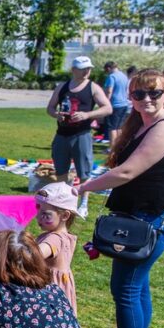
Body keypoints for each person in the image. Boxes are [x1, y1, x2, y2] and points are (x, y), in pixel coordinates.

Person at [78, 69, 164, 328]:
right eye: (139, 94)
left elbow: (127, 173)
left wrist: (85, 187)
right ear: (132, 97)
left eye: (155, 93)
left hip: (152, 219)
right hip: (140, 216)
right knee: (136, 288)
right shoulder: (142, 124)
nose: (147, 99)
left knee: (125, 288)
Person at [45, 56, 112, 218]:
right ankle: (63, 200)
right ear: (73, 70)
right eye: (83, 68)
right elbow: (50, 108)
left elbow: (107, 108)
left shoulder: (92, 87)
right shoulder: (62, 87)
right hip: (62, 134)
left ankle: (83, 204)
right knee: (61, 170)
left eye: (88, 68)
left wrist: (87, 115)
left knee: (84, 172)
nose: (87, 71)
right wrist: (57, 115)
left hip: (81, 134)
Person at [33, 182, 80, 314]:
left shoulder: (55, 238)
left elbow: (36, 254)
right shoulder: (64, 236)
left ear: (65, 215)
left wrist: (7, 244)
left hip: (49, 289)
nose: (38, 216)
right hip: (57, 288)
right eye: (38, 209)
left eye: (45, 214)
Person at [102, 61, 131, 149]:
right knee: (119, 127)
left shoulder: (112, 77)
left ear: (108, 68)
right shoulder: (124, 76)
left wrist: (105, 103)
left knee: (112, 128)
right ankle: (119, 146)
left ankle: (112, 147)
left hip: (114, 105)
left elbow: (109, 91)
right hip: (124, 104)